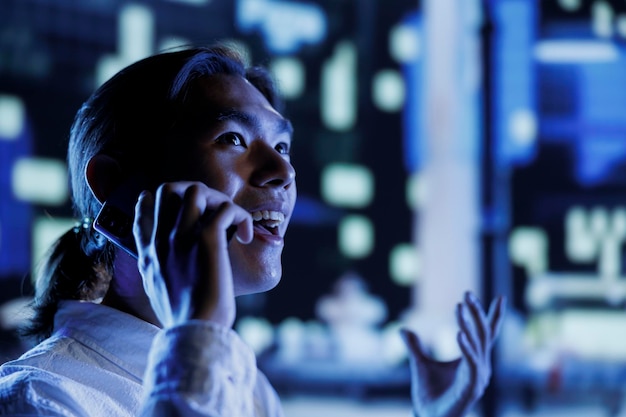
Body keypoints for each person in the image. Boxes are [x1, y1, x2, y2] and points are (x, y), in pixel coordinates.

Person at [0, 44, 506, 417]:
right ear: (117, 185)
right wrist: (197, 330)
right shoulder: (40, 398)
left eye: (282, 147)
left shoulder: (243, 381)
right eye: (234, 138)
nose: (282, 173)